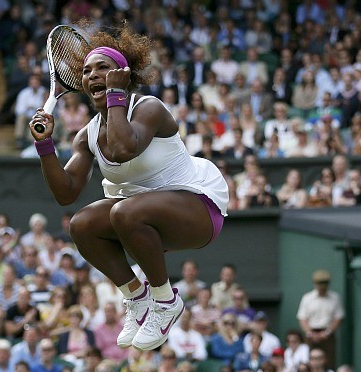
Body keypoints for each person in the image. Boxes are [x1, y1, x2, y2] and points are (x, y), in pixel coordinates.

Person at [29, 26, 228, 352]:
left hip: (199, 211)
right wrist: (45, 145)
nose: (93, 74)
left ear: (122, 76)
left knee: (124, 210)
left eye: (103, 68)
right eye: (86, 71)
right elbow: (65, 193)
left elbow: (123, 149)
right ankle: (137, 298)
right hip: (141, 217)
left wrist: (116, 97)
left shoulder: (149, 108)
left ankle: (165, 301)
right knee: (81, 224)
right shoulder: (87, 135)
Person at [297, 269, 344, 367]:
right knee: (309, 360)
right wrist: (310, 333)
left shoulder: (335, 297)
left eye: (325, 283)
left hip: (327, 334)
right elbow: (302, 318)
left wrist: (327, 332)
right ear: (315, 284)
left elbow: (338, 318)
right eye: (319, 283)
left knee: (329, 361)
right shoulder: (307, 298)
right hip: (311, 334)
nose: (322, 286)